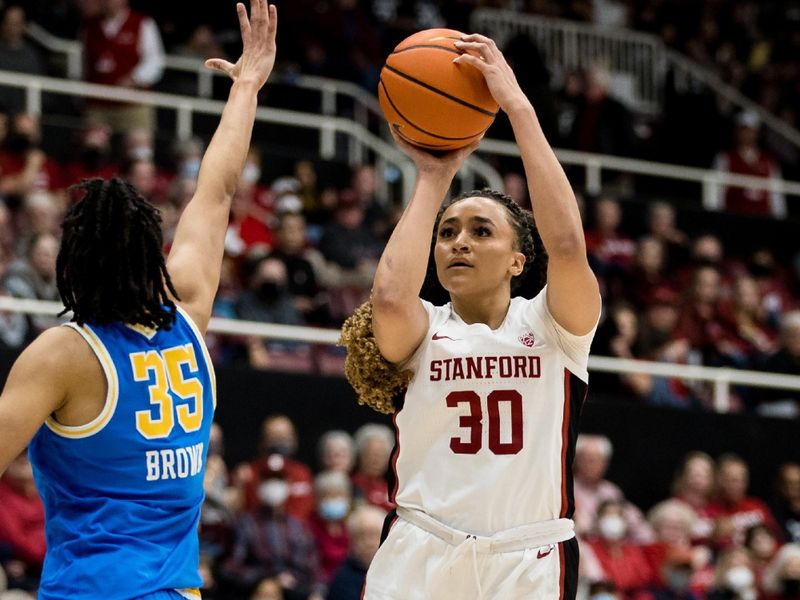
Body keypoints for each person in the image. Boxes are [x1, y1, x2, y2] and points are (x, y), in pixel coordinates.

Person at [0, 2, 278, 598]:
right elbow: (218, 186)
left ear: (70, 267)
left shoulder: (63, 355)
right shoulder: (190, 316)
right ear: (155, 256)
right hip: (177, 590)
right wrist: (247, 87)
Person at [339, 32, 601, 599]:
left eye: (481, 232)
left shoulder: (552, 327)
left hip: (528, 557)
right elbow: (387, 295)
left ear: (517, 260)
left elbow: (569, 247)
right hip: (422, 545)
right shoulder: (424, 329)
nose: (459, 242)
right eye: (448, 233)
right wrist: (434, 176)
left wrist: (519, 109)